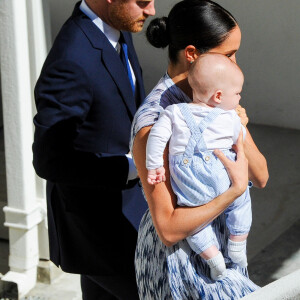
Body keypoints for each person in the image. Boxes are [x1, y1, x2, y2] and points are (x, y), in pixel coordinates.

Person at [131, 0, 269, 299]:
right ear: (192, 54)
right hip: (181, 269)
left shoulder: (219, 97)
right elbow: (167, 228)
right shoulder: (153, 124)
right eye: (229, 55)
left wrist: (235, 124)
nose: (234, 65)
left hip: (225, 253)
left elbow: (260, 175)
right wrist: (232, 192)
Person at [32, 0, 155, 299]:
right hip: (97, 230)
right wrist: (132, 166)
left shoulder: (119, 27)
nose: (151, 10)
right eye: (142, 1)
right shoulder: (71, 59)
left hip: (128, 215)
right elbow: (49, 161)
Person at [146, 53, 252, 281]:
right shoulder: (230, 118)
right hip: (220, 172)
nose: (240, 97)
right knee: (241, 201)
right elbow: (239, 141)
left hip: (187, 177)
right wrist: (241, 126)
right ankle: (238, 242)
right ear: (219, 95)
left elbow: (157, 137)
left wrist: (154, 166)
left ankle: (212, 257)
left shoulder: (173, 112)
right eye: (237, 93)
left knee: (193, 218)